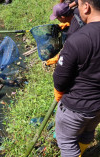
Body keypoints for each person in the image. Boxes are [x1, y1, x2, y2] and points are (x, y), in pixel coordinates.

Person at [53, 0, 100, 156]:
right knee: (88, 130)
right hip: (98, 106)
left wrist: (59, 92)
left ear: (86, 7)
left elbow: (60, 79)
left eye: (78, 4)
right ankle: (83, 152)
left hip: (76, 106)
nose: (77, 9)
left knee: (67, 142)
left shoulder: (77, 39)